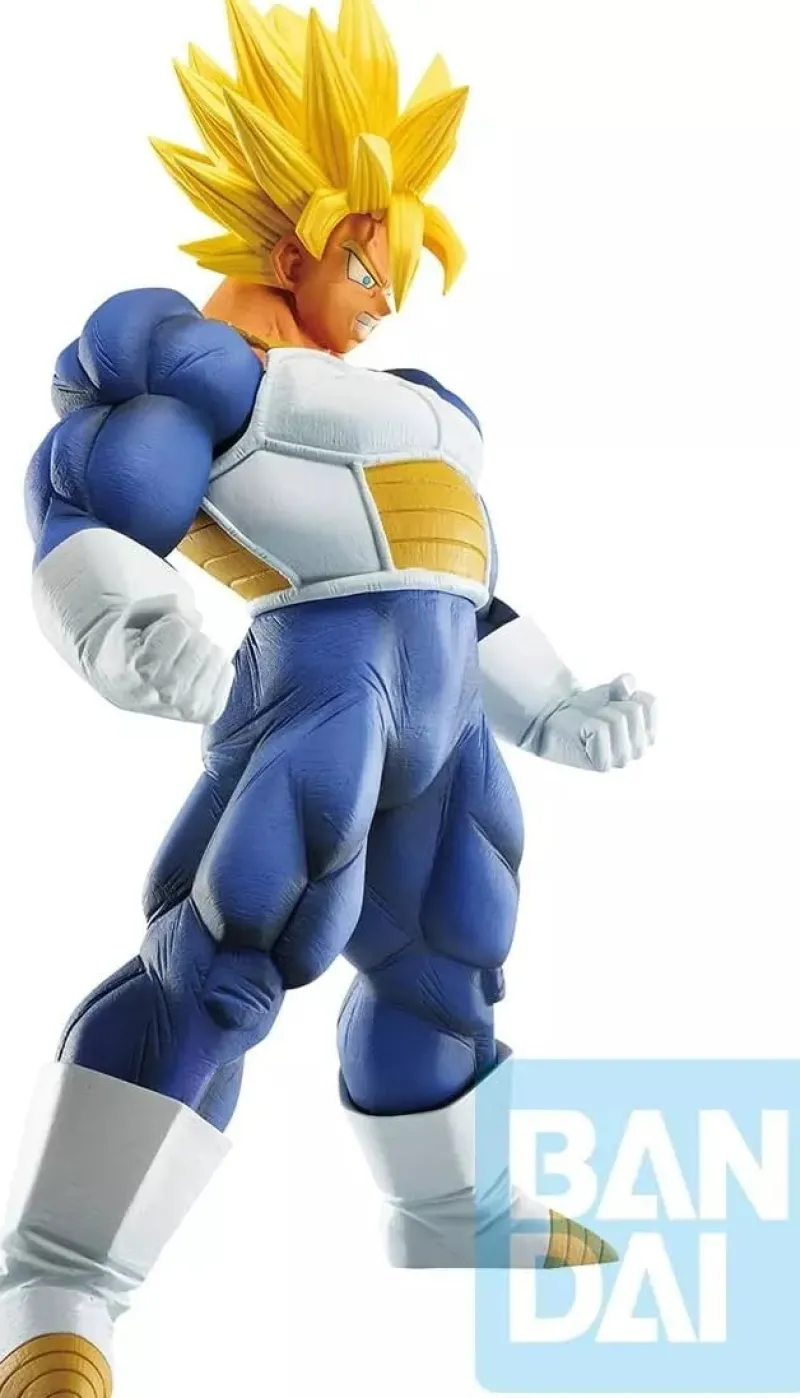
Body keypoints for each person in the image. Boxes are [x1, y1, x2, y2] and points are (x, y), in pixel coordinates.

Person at [0, 1, 656, 1391]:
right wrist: (131, 627)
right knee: (232, 948)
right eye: (369, 258)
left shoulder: (422, 398)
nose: (387, 294)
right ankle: (61, 1279)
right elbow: (89, 496)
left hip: (443, 714)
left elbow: (461, 580)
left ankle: (451, 1210)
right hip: (319, 695)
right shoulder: (196, 362)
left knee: (454, 948)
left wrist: (554, 702)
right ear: (295, 236)